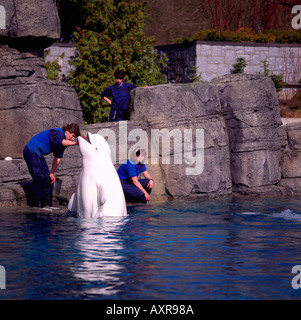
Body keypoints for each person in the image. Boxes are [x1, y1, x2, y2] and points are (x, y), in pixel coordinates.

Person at [23, 123, 81, 208]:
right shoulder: (57, 132)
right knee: (38, 177)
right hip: (30, 151)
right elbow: (59, 141)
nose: (72, 139)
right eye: (72, 136)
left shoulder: (64, 144)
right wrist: (75, 143)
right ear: (67, 131)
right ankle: (37, 204)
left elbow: (57, 157)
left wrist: (52, 173)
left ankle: (47, 204)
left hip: (38, 154)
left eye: (74, 137)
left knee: (48, 178)